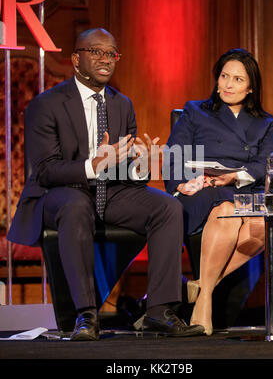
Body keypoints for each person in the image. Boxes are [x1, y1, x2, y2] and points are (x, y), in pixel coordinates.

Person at [7, 28, 204, 340]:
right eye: (95, 51)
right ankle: (85, 315)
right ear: (75, 60)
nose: (105, 59)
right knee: (76, 205)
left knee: (167, 207)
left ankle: (159, 311)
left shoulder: (121, 104)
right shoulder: (47, 104)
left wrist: (141, 164)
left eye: (111, 53)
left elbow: (122, 173)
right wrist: (92, 165)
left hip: (109, 192)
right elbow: (44, 171)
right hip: (58, 195)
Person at [164, 48, 273, 335]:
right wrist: (181, 183)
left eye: (237, 79)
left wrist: (234, 177)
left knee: (264, 223)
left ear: (250, 87)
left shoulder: (266, 123)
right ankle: (204, 305)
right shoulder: (195, 111)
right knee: (228, 212)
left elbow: (265, 165)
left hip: (240, 188)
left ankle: (201, 288)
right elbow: (173, 155)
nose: (228, 85)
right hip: (201, 190)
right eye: (224, 77)